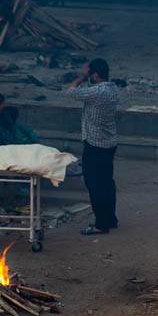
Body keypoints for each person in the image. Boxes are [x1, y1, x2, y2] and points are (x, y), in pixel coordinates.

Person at [64, 58, 120, 235]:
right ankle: (110, 219)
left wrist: (80, 78)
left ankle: (100, 224)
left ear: (94, 75)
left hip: (95, 144)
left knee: (94, 184)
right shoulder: (112, 89)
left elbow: (70, 93)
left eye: (89, 72)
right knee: (107, 183)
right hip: (109, 142)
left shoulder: (97, 91)